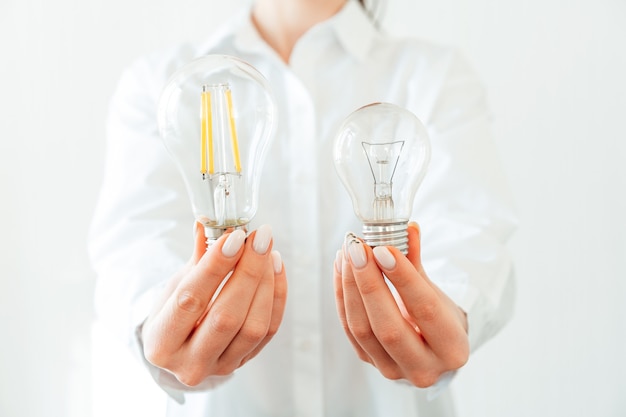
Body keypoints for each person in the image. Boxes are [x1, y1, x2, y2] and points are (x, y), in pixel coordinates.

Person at [88, 0, 517, 416]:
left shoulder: (434, 76)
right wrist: (162, 324)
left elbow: (472, 233)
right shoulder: (160, 83)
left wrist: (447, 316)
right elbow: (132, 249)